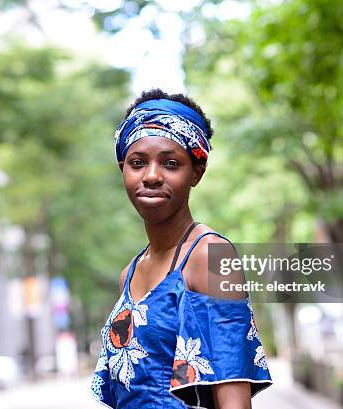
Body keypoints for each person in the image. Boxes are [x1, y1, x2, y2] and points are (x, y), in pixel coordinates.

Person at [90, 89, 273, 408]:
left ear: (196, 172)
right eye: (137, 163)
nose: (151, 176)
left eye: (171, 163)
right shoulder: (128, 275)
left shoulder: (210, 256)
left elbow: (233, 398)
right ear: (123, 168)